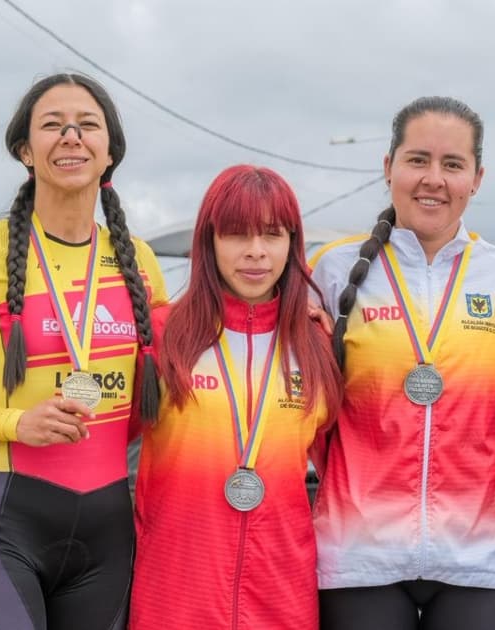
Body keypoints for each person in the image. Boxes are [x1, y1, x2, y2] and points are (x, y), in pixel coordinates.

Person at [0, 72, 166, 629]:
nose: (71, 136)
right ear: (25, 150)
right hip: (0, 523)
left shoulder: (140, 262)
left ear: (110, 150)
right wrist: (10, 425)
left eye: (87, 125)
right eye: (52, 125)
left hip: (107, 532)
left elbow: (171, 383)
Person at [309, 96, 495, 629]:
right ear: (388, 167)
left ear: (477, 178)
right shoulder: (333, 269)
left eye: (452, 164)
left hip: (479, 556)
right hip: (358, 554)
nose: (433, 178)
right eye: (418, 160)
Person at [130, 165, 342, 629]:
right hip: (175, 596)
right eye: (236, 235)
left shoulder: (316, 345)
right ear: (209, 241)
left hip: (282, 597)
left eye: (272, 234)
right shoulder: (164, 335)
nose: (255, 252)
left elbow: (346, 465)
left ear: (292, 242)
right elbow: (99, 441)